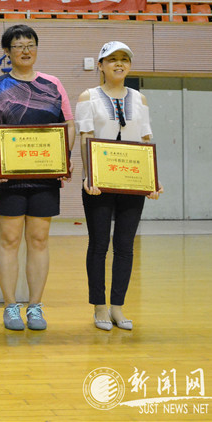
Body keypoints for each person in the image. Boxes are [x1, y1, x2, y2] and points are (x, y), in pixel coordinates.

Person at [0, 25, 75, 331]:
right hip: (8, 178)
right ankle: (10, 306)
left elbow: (69, 125)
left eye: (30, 44)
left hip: (45, 175)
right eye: (18, 46)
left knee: (39, 239)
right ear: (7, 52)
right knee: (9, 239)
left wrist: (64, 157)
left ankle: (35, 306)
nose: (25, 50)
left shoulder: (53, 84)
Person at [75, 41, 163, 331]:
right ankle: (99, 306)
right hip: (99, 183)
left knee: (125, 246)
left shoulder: (140, 99)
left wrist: (152, 180)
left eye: (124, 59)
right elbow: (86, 137)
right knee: (99, 244)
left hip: (131, 180)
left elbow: (146, 140)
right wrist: (89, 176)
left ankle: (117, 306)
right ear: (100, 65)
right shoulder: (88, 96)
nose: (119, 64)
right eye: (112, 59)